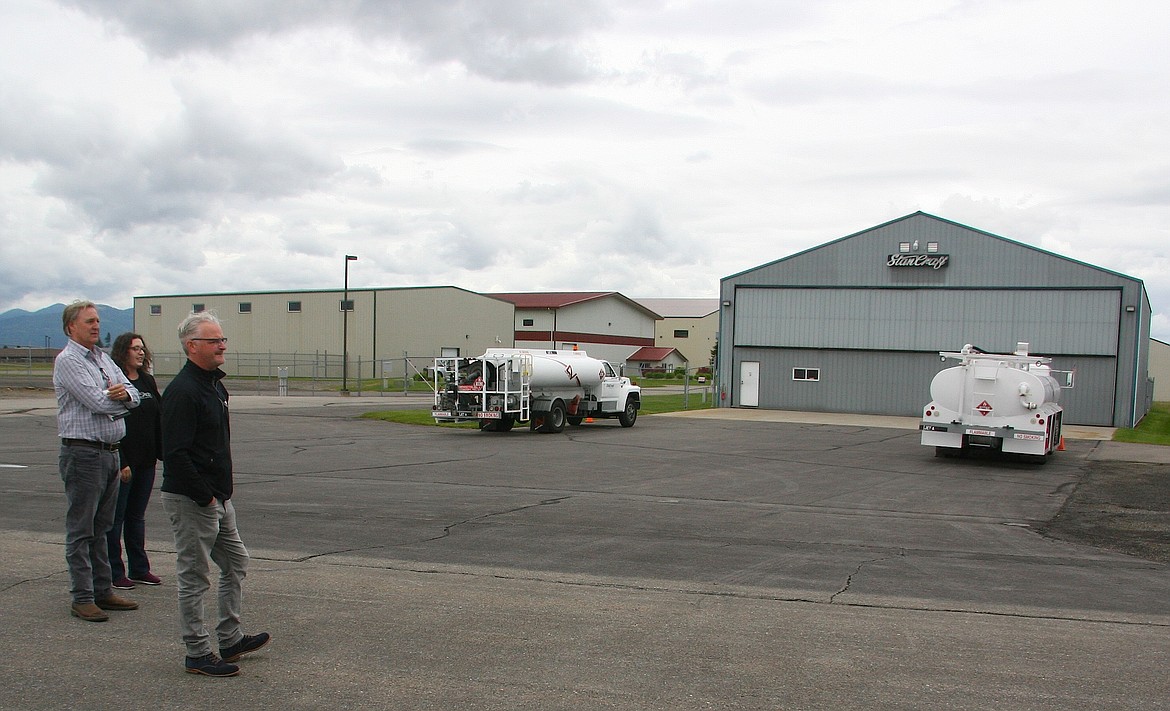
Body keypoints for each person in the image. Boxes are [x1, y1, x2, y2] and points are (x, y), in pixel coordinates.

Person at [161, 311, 270, 677]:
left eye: (223, 339)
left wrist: (219, 496)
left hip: (219, 498)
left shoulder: (212, 385)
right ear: (192, 346)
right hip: (194, 500)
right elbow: (173, 453)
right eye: (214, 340)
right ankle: (196, 652)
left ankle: (230, 638)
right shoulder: (183, 391)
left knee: (236, 562)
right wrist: (205, 497)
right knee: (194, 576)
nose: (223, 345)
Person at [53, 300, 142, 622]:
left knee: (104, 527)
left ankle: (102, 590)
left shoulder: (102, 359)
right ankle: (82, 596)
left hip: (110, 452)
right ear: (70, 327)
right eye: (89, 321)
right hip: (83, 453)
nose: (95, 326)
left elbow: (134, 395)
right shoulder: (68, 361)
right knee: (82, 528)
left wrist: (119, 396)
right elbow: (96, 401)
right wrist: (117, 398)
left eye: (97, 320)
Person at [106, 333, 163, 590]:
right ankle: (114, 572)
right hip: (125, 461)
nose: (140, 353)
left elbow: (159, 418)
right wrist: (122, 461)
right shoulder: (116, 383)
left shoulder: (148, 381)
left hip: (147, 460)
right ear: (123, 352)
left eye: (142, 348)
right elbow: (113, 422)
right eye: (134, 349)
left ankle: (139, 568)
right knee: (116, 518)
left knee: (136, 517)